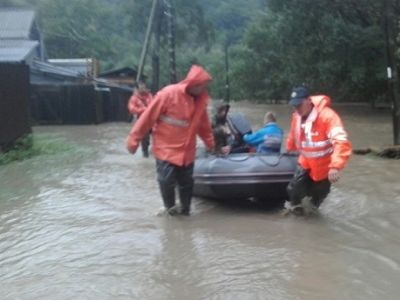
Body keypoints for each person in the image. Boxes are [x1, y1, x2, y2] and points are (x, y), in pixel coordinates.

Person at [126, 65, 215, 216]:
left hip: (187, 151)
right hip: (166, 148)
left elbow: (203, 126)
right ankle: (170, 211)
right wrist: (133, 139)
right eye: (203, 86)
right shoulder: (168, 95)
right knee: (166, 181)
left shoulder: (200, 100)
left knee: (187, 183)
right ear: (194, 84)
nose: (204, 89)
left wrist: (210, 144)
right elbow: (148, 117)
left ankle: (185, 212)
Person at [284, 86, 352, 216]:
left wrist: (335, 166)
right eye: (294, 106)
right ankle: (295, 211)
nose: (297, 109)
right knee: (294, 189)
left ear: (309, 100)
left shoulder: (328, 117)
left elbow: (341, 142)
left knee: (317, 197)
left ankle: (312, 214)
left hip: (324, 166)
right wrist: (289, 149)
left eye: (299, 105)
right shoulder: (296, 117)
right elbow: (293, 135)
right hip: (305, 161)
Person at [127, 81, 153, 157]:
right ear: (137, 89)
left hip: (152, 120)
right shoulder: (134, 98)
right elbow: (131, 109)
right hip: (141, 121)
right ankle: (145, 154)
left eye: (144, 86)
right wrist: (143, 110)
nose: (143, 88)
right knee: (145, 139)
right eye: (141, 87)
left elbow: (154, 104)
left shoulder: (149, 95)